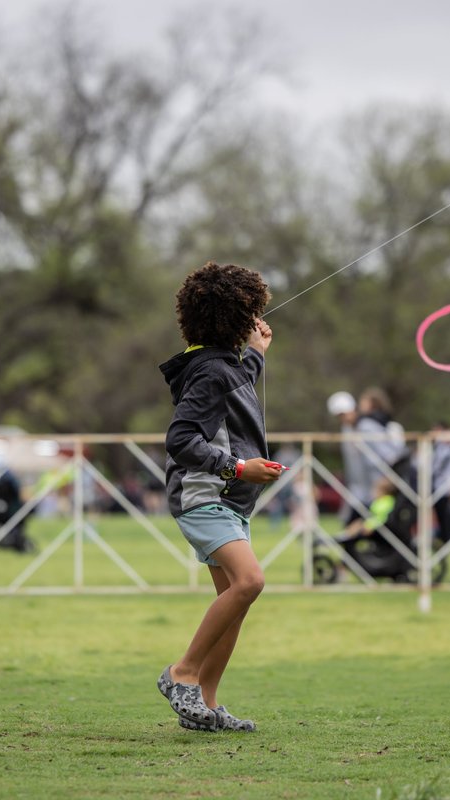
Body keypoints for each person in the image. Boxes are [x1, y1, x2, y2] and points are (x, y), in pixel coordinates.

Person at [156, 262, 281, 734]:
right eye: (251, 313)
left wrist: (256, 354)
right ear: (234, 318)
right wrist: (239, 468)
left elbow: (237, 384)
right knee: (250, 582)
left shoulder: (222, 366)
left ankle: (205, 704)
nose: (256, 320)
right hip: (205, 494)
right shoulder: (210, 371)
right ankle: (181, 673)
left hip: (229, 500)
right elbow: (181, 439)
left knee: (234, 602)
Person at [328, 387, 404, 525]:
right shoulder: (347, 430)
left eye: (344, 414)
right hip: (358, 490)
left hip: (378, 486)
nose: (343, 418)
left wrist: (388, 479)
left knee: (380, 525)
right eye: (339, 416)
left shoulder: (367, 426)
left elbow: (390, 454)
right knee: (352, 523)